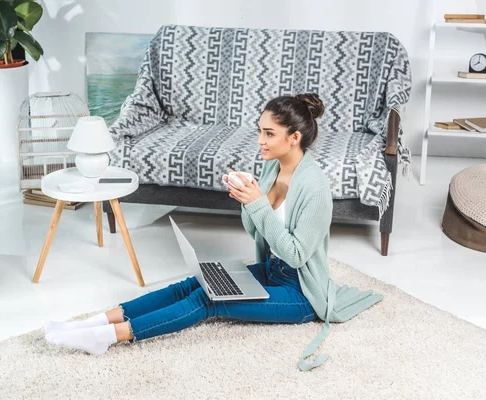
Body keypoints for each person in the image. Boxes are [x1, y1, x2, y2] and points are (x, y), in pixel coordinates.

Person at [44, 93, 383, 371]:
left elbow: (296, 254)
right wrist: (246, 201)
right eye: (260, 131)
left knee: (210, 300)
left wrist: (259, 204)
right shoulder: (270, 169)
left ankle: (110, 337)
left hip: (302, 293)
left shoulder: (316, 188)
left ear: (294, 138)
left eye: (269, 134)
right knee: (196, 282)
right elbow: (256, 232)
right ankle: (93, 323)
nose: (260, 141)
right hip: (271, 270)